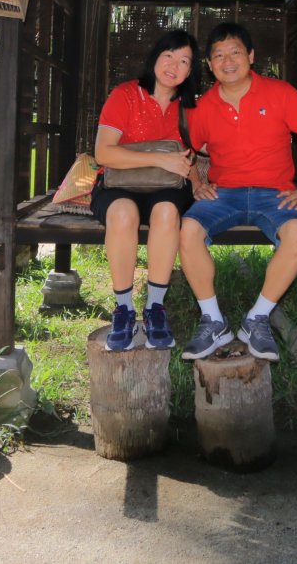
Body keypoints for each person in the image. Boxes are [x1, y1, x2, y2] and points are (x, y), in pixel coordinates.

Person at [180, 22, 297, 362]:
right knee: (188, 230)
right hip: (225, 193)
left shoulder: (280, 93)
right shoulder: (203, 106)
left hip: (274, 193)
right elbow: (183, 151)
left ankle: (257, 318)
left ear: (251, 56)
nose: (227, 60)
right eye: (218, 55)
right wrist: (197, 183)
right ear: (209, 64)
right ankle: (213, 321)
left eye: (235, 52)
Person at [91, 29, 201, 352]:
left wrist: (200, 182)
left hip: (165, 190)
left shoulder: (189, 109)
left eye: (183, 61)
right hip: (117, 184)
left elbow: (193, 158)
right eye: (168, 55)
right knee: (123, 213)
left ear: (190, 71)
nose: (173, 65)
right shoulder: (124, 95)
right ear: (155, 57)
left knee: (167, 213)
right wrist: (162, 159)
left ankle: (155, 308)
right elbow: (104, 153)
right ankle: (123, 309)